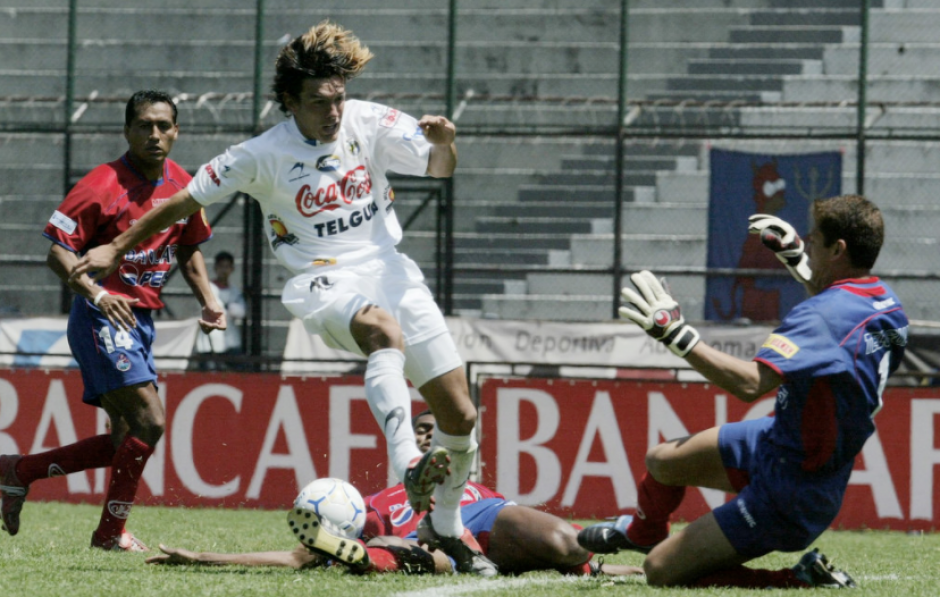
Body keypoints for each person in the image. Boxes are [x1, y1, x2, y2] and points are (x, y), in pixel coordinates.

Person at [68, 20, 492, 575]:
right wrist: (116, 247)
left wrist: (445, 143)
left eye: (338, 98)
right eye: (319, 102)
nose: (333, 112)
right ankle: (408, 461)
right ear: (290, 102)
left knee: (460, 413)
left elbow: (439, 169)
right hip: (321, 279)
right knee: (382, 332)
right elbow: (181, 201)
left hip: (392, 269)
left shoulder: (370, 120)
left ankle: (446, 524)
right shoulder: (260, 153)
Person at [579, 195, 907, 589]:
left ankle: (800, 579)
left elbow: (750, 384)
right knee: (662, 460)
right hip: (782, 442)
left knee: (660, 570)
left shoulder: (825, 315)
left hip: (794, 487)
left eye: (813, 240)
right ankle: (643, 532)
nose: (806, 243)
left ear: (838, 249)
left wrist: (675, 335)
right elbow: (837, 321)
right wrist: (800, 263)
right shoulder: (886, 304)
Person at [0, 90, 225, 552]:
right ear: (127, 131)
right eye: (144, 125)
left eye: (163, 126)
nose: (154, 134)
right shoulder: (101, 183)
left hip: (140, 322)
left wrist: (209, 300)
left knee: (124, 439)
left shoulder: (185, 186)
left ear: (177, 131)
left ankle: (17, 471)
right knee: (151, 421)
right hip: (100, 316)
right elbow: (58, 253)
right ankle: (108, 533)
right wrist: (98, 294)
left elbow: (189, 248)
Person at [146, 411, 642, 578]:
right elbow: (297, 556)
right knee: (396, 546)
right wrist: (204, 558)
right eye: (419, 430)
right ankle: (361, 555)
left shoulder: (475, 487)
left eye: (436, 429)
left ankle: (632, 541)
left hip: (489, 525)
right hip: (435, 548)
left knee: (567, 546)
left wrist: (641, 567)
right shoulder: (373, 503)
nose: (427, 435)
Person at [194, 251, 247, 370]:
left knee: (241, 370)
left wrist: (228, 308)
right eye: (221, 266)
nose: (224, 270)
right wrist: (228, 308)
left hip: (231, 342)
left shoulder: (235, 291)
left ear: (232, 269)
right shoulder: (207, 288)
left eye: (227, 267)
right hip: (208, 343)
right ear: (215, 268)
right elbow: (214, 310)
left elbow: (241, 312)